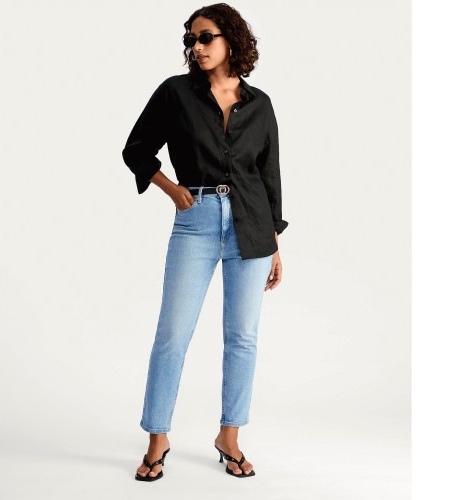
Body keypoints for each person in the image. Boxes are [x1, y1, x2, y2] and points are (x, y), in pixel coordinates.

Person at [122, 3, 289, 481]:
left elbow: (269, 176)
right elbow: (136, 149)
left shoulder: (260, 104)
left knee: (243, 338)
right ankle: (157, 437)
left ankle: (229, 436)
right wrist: (172, 189)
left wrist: (274, 242)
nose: (196, 47)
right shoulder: (176, 93)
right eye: (191, 40)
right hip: (196, 220)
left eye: (205, 37)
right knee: (172, 335)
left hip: (252, 226)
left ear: (231, 39)